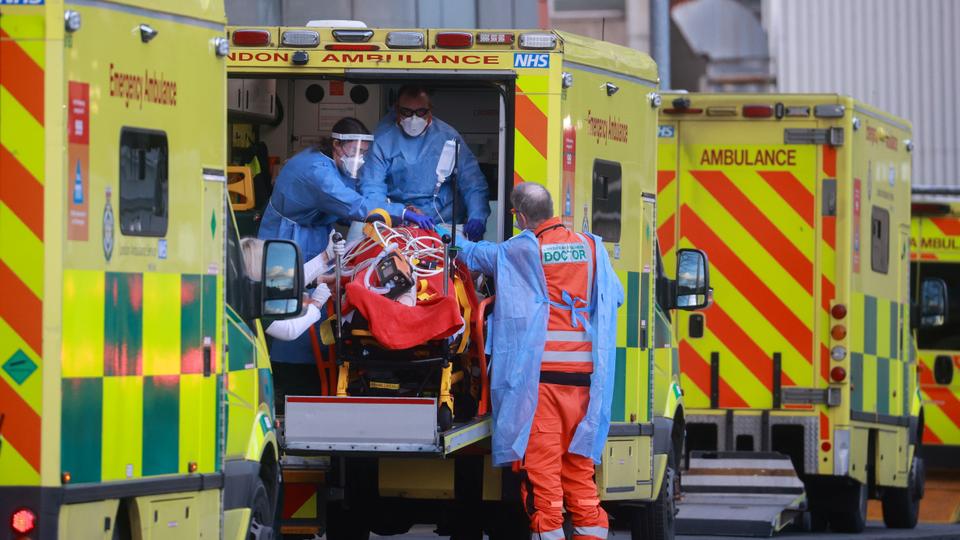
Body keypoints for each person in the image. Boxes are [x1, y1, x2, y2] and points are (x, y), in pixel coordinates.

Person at [453, 182, 623, 540]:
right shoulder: (591, 247)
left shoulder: (524, 249)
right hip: (586, 381)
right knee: (579, 470)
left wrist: (447, 236)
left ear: (519, 216)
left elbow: (477, 255)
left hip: (542, 382)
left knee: (543, 475)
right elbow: (616, 296)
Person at [258, 117, 431, 261]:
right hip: (287, 236)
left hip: (313, 234)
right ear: (336, 144)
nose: (359, 158)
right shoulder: (317, 172)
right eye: (355, 150)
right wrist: (402, 213)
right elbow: (353, 205)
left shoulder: (334, 164)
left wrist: (391, 219)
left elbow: (344, 207)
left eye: (363, 152)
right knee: (287, 286)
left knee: (315, 285)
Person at [359, 85, 490, 240]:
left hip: (442, 223)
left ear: (430, 110)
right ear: (397, 110)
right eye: (406, 112)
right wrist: (399, 213)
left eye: (421, 112)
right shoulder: (383, 140)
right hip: (399, 224)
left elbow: (472, 183)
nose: (414, 119)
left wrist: (477, 216)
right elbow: (372, 188)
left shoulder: (448, 137)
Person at [240, 235, 345, 410]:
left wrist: (325, 257)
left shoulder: (241, 289)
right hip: (246, 380)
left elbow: (286, 282)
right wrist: (316, 303)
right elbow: (289, 330)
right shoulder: (249, 300)